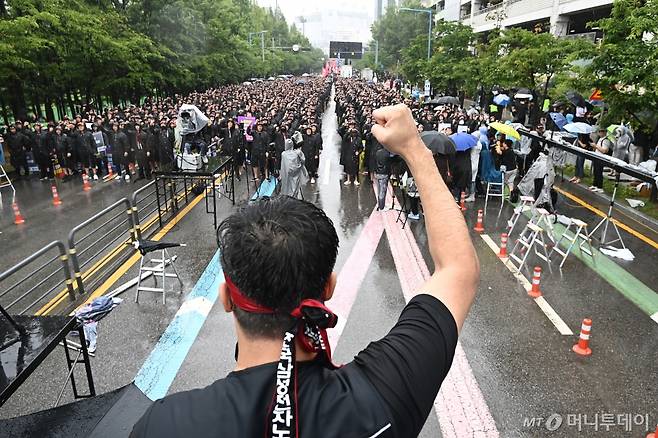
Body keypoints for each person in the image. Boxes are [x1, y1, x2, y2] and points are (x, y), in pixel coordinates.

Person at [131, 104, 478, 438]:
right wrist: (414, 149)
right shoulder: (382, 397)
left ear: (226, 297)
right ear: (328, 288)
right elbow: (457, 269)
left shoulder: (164, 425)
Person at [279, 133, 308, 199]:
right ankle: (294, 197)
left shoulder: (283, 154)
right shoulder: (297, 152)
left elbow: (282, 164)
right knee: (295, 185)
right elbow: (303, 160)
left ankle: (287, 198)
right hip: (296, 172)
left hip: (286, 173)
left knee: (287, 185)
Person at [374, 145, 391, 211]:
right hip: (384, 173)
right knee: (383, 191)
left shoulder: (377, 152)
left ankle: (380, 204)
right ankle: (382, 207)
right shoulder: (387, 154)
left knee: (379, 190)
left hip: (378, 172)